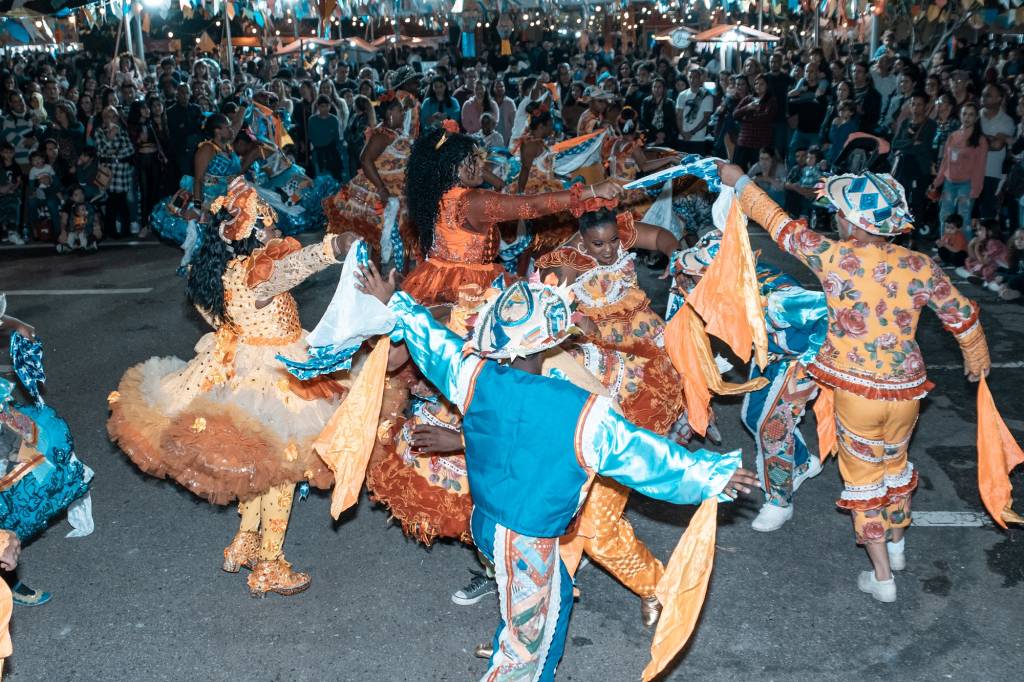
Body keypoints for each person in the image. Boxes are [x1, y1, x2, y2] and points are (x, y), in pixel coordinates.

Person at [356, 266, 757, 680]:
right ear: (550, 340)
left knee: (557, 598)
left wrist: (395, 301)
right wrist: (711, 475)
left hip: (486, 522)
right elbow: (644, 457)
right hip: (527, 540)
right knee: (521, 653)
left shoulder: (474, 375)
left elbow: (434, 342)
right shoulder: (579, 410)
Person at [718, 162, 990, 603]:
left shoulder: (834, 256)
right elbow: (962, 317)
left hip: (858, 394)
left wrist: (740, 181)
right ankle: (897, 548)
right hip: (907, 394)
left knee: (864, 479)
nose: (837, 220)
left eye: (840, 214)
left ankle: (882, 578)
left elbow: (777, 223)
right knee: (896, 467)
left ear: (852, 222)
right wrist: (976, 355)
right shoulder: (920, 265)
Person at [108, 178, 359, 597]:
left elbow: (218, 317)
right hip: (277, 378)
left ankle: (244, 541)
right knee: (281, 471)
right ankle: (270, 565)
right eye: (269, 223)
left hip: (241, 372)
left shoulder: (216, 272)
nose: (276, 229)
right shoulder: (258, 273)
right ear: (252, 233)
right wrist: (336, 247)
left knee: (256, 463)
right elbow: (297, 265)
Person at [535, 208, 692, 625]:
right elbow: (548, 304)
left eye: (612, 243)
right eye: (598, 244)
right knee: (573, 511)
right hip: (596, 372)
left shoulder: (620, 235)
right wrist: (571, 317)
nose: (608, 252)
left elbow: (662, 238)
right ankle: (543, 605)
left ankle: (651, 585)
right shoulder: (566, 264)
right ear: (581, 240)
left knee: (592, 516)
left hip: (639, 365)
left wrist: (680, 263)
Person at [671, 231, 829, 531]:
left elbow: (829, 313)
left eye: (697, 276)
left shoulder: (777, 297)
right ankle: (802, 462)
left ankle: (779, 502)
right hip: (771, 354)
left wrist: (810, 361)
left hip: (804, 359)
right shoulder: (730, 286)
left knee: (773, 428)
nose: (691, 282)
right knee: (753, 417)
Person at [324, 94, 415, 266]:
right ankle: (375, 276)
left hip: (398, 192)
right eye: (400, 110)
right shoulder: (383, 134)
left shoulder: (393, 132)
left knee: (401, 237)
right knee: (378, 240)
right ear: (389, 113)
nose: (403, 114)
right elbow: (365, 159)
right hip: (382, 193)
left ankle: (396, 276)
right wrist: (381, 188)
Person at [930, 101, 987, 238]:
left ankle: (965, 249)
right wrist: (937, 182)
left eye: (971, 115)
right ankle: (944, 246)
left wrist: (975, 191)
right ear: (960, 115)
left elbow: (980, 168)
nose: (967, 117)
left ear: (976, 118)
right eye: (964, 114)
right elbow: (945, 162)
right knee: (944, 216)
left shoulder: (980, 140)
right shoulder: (953, 135)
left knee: (964, 219)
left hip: (966, 184)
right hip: (949, 182)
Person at [92, 105, 135, 239]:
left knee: (122, 201)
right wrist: (110, 137)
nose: (112, 119)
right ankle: (111, 231)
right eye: (108, 116)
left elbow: (130, 150)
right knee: (111, 201)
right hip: (107, 171)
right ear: (104, 118)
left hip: (122, 171)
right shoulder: (99, 131)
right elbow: (101, 150)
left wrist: (113, 152)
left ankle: (125, 230)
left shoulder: (122, 131)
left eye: (114, 116)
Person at [977, 84, 1016, 220]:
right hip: (970, 170)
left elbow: (997, 145)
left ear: (999, 98)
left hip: (992, 172)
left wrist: (977, 138)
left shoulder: (1006, 121)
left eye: (988, 95)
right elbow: (966, 141)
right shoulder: (974, 115)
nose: (983, 97)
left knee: (987, 214)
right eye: (983, 94)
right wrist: (989, 139)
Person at [732, 74, 777, 170]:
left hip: (760, 143)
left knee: (757, 172)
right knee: (738, 170)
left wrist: (745, 118)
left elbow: (765, 118)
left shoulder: (771, 101)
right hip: (744, 140)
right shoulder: (748, 99)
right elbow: (735, 114)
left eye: (762, 84)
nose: (758, 86)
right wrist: (748, 107)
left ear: (767, 85)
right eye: (756, 83)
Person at [957, 219, 1009, 291]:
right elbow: (974, 257)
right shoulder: (986, 242)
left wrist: (976, 248)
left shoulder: (993, 243)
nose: (977, 233)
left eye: (980, 230)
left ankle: (990, 283)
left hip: (1004, 269)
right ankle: (980, 278)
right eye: (977, 230)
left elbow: (984, 261)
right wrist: (970, 245)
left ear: (990, 232)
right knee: (968, 261)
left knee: (985, 270)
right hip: (992, 265)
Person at [307, 95, 344, 182]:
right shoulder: (312, 120)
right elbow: (310, 137)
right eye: (322, 106)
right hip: (317, 154)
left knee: (335, 179)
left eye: (327, 106)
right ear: (318, 106)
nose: (324, 108)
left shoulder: (334, 119)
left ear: (330, 106)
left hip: (332, 153)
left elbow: (337, 138)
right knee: (320, 179)